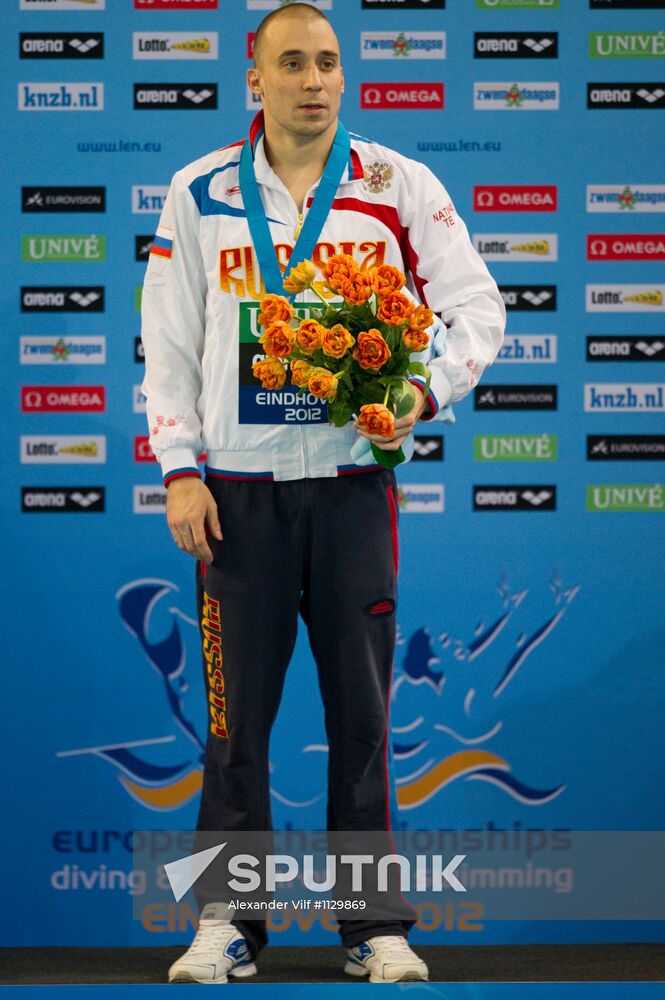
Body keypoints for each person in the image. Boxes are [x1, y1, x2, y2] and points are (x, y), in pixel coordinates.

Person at [141, 2, 505, 985]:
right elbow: (168, 348)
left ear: (343, 77)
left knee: (361, 715)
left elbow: (476, 307)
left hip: (352, 494)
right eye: (291, 63)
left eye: (328, 63)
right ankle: (226, 920)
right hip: (235, 501)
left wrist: (418, 390)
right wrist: (178, 468)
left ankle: (371, 925)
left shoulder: (395, 185)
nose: (313, 79)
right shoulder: (198, 191)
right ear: (252, 78)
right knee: (231, 727)